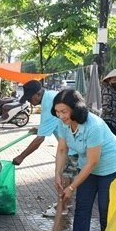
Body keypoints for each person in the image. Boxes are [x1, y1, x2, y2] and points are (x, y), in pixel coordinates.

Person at [52, 89, 116, 231]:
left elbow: (93, 162)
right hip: (87, 166)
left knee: (105, 209)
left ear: (76, 109)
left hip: (110, 166)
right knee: (82, 207)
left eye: (64, 111)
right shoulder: (62, 124)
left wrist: (71, 186)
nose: (61, 116)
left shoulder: (94, 126)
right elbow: (62, 149)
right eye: (57, 111)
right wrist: (58, 174)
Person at [11, 79, 77, 217]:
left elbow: (40, 139)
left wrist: (21, 156)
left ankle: (62, 207)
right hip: (70, 143)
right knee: (67, 173)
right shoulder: (50, 96)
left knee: (63, 173)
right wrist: (40, 129)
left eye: (30, 98)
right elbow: (50, 125)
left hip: (73, 144)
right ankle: (66, 202)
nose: (30, 101)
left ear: (37, 94)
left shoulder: (51, 102)